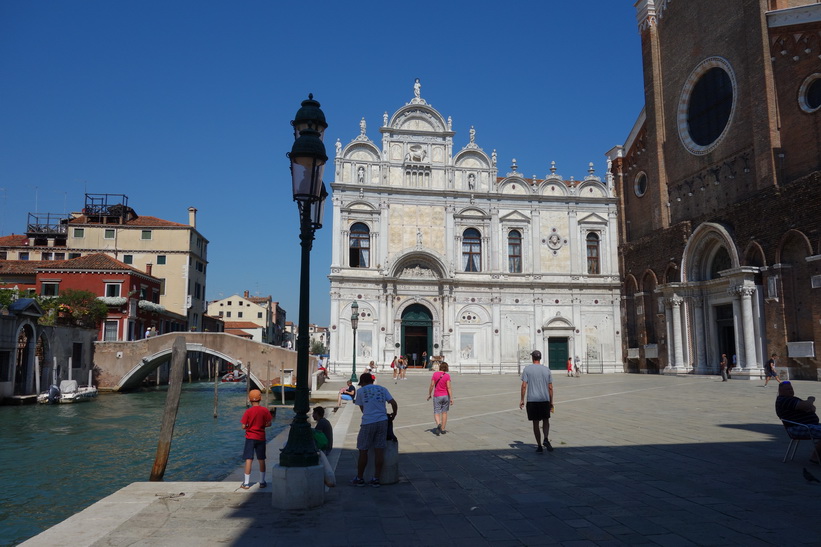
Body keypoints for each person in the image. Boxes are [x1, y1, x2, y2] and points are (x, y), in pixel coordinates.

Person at [351, 372, 398, 487]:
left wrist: (369, 413)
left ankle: (360, 478)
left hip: (368, 422)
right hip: (382, 422)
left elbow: (362, 409)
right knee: (379, 450)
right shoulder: (382, 389)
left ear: (362, 382)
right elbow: (393, 403)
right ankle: (376, 478)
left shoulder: (361, 391)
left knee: (363, 450)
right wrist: (393, 415)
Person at [775, 381, 821, 463]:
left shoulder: (793, 399)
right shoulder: (783, 400)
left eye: (791, 388)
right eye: (787, 389)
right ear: (781, 391)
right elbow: (807, 406)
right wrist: (810, 399)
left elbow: (812, 409)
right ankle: (815, 456)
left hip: (807, 426)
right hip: (798, 428)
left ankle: (816, 454)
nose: (790, 390)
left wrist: (808, 404)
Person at [520, 350, 554, 453]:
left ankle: (539, 445)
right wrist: (551, 401)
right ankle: (546, 438)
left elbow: (524, 386)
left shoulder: (527, 369)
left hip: (532, 400)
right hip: (544, 399)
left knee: (535, 423)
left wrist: (522, 399)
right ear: (540, 358)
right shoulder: (546, 370)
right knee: (546, 420)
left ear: (532, 358)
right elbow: (550, 387)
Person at [240, 389, 272, 489]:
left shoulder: (248, 411)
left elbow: (243, 426)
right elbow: (269, 423)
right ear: (260, 399)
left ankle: (246, 483)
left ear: (250, 400)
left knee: (249, 459)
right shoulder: (265, 410)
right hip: (261, 437)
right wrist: (262, 426)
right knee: (261, 459)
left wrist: (248, 427)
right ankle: (262, 482)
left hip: (250, 437)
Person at [427, 362, 453, 434]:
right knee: (444, 412)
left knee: (436, 411)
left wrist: (429, 394)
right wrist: (451, 398)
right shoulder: (447, 376)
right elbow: (449, 387)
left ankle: (439, 424)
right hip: (445, 396)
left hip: (437, 396)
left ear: (440, 367)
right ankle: (443, 429)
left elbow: (432, 385)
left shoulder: (435, 374)